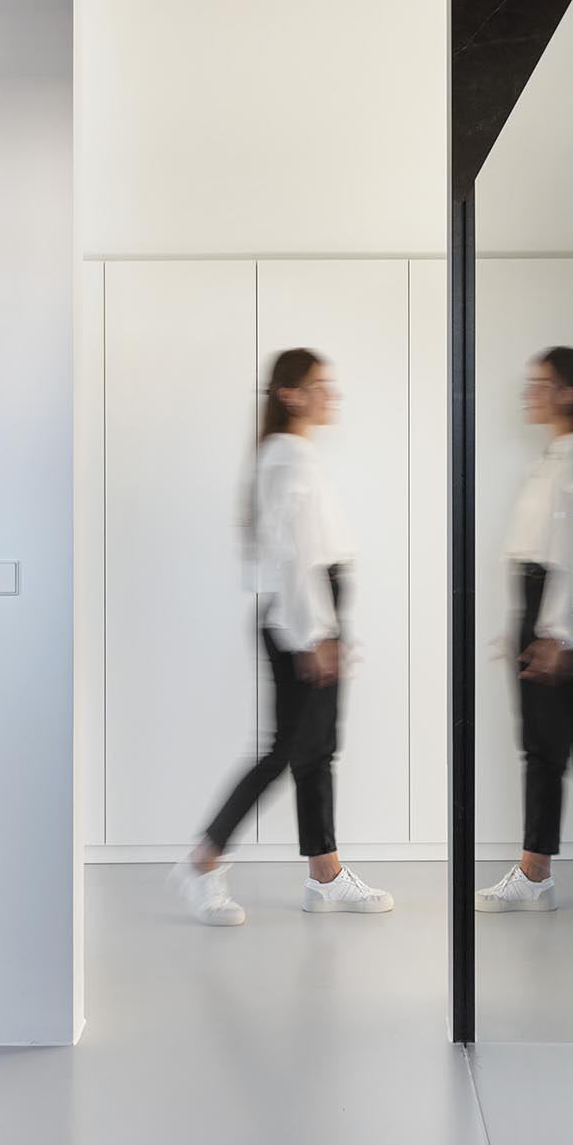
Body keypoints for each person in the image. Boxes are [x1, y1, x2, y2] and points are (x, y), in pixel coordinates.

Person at [169, 348, 394, 927]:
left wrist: (327, 626)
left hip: (312, 612)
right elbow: (291, 558)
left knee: (315, 752)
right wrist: (317, 632)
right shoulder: (285, 460)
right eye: (321, 385)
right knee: (288, 750)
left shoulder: (294, 455)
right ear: (290, 394)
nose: (331, 394)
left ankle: (325, 874)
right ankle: (204, 859)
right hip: (302, 616)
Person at [477, 345, 573, 913]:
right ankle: (534, 873)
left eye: (542, 383)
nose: (530, 392)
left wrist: (559, 631)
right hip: (540, 608)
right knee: (544, 750)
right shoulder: (559, 455)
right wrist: (521, 625)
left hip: (562, 614)